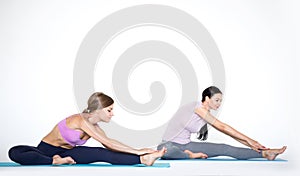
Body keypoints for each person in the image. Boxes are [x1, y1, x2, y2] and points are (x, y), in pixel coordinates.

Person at [8, 92, 166, 166]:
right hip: (46, 151)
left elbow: (109, 143)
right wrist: (137, 150)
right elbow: (109, 142)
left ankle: (144, 160)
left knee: (103, 154)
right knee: (15, 152)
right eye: (109, 110)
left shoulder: (94, 126)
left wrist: (139, 152)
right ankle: (53, 161)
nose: (112, 114)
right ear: (98, 110)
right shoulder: (80, 120)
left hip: (68, 153)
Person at [157, 86, 286, 160]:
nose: (219, 104)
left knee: (225, 148)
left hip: (186, 145)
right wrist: (251, 140)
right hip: (168, 145)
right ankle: (190, 156)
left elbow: (228, 132)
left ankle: (266, 154)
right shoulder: (197, 107)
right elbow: (222, 127)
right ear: (207, 98)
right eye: (217, 100)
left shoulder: (205, 114)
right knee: (166, 151)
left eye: (220, 101)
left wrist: (250, 144)